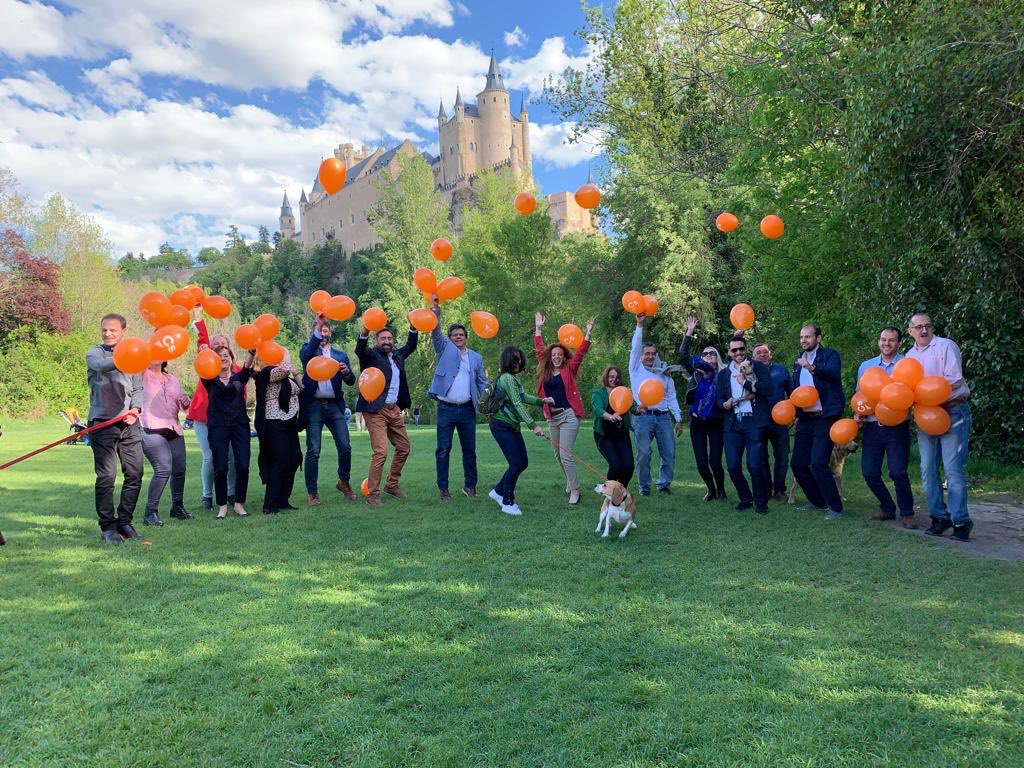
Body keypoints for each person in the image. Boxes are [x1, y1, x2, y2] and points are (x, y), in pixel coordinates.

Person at [905, 312, 973, 540]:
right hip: (925, 416)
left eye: (927, 326)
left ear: (932, 328)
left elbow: (953, 379)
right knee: (927, 469)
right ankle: (939, 518)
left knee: (953, 470)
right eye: (918, 327)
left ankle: (961, 523)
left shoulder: (946, 346)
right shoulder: (909, 356)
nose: (924, 331)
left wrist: (926, 396)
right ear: (910, 332)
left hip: (953, 411)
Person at [86, 313, 144, 544]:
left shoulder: (135, 359)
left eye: (112, 330)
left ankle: (125, 522)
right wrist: (127, 356)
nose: (108, 334)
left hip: (129, 423)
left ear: (123, 331)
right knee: (107, 476)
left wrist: (136, 409)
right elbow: (100, 366)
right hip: (102, 423)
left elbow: (138, 389)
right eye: (104, 330)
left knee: (135, 473)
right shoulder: (95, 353)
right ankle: (108, 527)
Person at [428, 298, 488, 500]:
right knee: (443, 449)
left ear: (466, 337)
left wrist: (489, 398)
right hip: (446, 409)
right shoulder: (443, 349)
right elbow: (435, 332)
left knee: (470, 450)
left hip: (468, 410)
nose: (458, 337)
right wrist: (436, 310)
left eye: (461, 335)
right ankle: (443, 489)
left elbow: (482, 382)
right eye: (454, 335)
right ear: (450, 338)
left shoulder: (476, 358)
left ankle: (470, 486)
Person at [856, 327, 916, 528]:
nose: (886, 344)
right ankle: (888, 507)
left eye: (891, 340)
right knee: (869, 472)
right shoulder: (867, 366)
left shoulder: (907, 365)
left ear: (899, 343)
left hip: (897, 427)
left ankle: (907, 513)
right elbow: (860, 396)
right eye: (883, 339)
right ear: (878, 341)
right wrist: (858, 414)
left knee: (898, 472)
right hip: (872, 426)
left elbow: (913, 395)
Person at [355, 323, 419, 506]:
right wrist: (365, 332)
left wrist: (413, 328)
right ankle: (373, 494)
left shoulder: (398, 356)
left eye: (389, 338)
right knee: (381, 452)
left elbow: (410, 346)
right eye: (383, 338)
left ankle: (391, 485)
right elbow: (360, 349)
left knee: (404, 447)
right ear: (377, 340)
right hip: (375, 410)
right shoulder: (370, 356)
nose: (387, 341)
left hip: (394, 409)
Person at [534, 312, 594, 505]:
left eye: (560, 355)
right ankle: (569, 481)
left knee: (566, 454)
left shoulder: (570, 369)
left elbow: (581, 354)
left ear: (563, 356)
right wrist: (538, 328)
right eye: (554, 355)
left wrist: (588, 333)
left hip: (569, 416)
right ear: (550, 357)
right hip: (553, 418)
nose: (557, 357)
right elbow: (538, 349)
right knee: (557, 455)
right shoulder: (545, 370)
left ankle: (575, 491)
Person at [299, 312, 357, 505]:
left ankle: (344, 481)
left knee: (345, 447)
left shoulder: (340, 355)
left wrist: (348, 373)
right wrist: (318, 324)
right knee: (313, 450)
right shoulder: (308, 351)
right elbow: (307, 354)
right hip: (314, 406)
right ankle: (312, 491)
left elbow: (350, 381)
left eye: (326, 330)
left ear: (330, 333)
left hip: (334, 406)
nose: (323, 333)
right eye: (320, 330)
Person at [488, 346, 554, 516]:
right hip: (501, 425)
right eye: (514, 359)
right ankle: (507, 502)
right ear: (507, 361)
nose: (518, 362)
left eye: (519, 359)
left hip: (511, 426)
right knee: (516, 463)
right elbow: (517, 403)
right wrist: (533, 425)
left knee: (522, 462)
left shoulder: (513, 379)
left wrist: (542, 401)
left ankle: (498, 491)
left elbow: (523, 397)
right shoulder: (507, 378)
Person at [790, 324, 846, 519]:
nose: (804, 340)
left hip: (825, 416)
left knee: (818, 462)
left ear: (818, 338)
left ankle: (835, 507)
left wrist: (812, 367)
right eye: (801, 337)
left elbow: (832, 375)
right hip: (806, 418)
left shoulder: (830, 355)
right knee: (797, 464)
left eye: (808, 336)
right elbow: (796, 390)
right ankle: (817, 501)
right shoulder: (797, 361)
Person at [716, 335, 777, 514]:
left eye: (741, 349)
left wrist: (746, 383)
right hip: (733, 423)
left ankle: (761, 502)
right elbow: (719, 399)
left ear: (746, 349)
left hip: (754, 421)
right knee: (733, 465)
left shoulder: (757, 367)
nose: (738, 353)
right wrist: (724, 404)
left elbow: (768, 389)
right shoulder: (724, 374)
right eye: (734, 350)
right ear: (729, 352)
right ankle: (745, 498)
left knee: (754, 464)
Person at [186, 307, 237, 511]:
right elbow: (203, 341)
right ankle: (207, 496)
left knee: (232, 456)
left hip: (228, 420)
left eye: (223, 345)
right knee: (210, 456)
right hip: (204, 418)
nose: (219, 347)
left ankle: (231, 493)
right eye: (216, 345)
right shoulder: (206, 365)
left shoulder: (236, 370)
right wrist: (198, 318)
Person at [628, 312, 684, 496]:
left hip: (663, 418)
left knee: (668, 453)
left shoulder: (664, 373)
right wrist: (639, 325)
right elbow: (635, 347)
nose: (650, 356)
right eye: (647, 354)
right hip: (643, 417)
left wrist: (678, 418)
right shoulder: (635, 369)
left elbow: (672, 397)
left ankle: (664, 485)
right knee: (644, 454)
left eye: (653, 354)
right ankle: (644, 487)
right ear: (641, 355)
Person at [202, 346, 254, 518]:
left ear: (232, 359)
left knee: (243, 465)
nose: (223, 358)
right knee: (221, 467)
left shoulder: (238, 378)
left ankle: (239, 504)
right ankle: (222, 506)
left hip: (240, 425)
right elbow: (203, 365)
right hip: (218, 426)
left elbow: (246, 370)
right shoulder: (209, 379)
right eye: (220, 356)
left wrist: (251, 353)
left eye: (226, 355)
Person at [679, 316, 727, 502]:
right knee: (701, 463)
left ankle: (721, 490)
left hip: (716, 423)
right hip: (697, 423)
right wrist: (689, 332)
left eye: (712, 353)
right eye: (705, 353)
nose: (708, 355)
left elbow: (740, 359)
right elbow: (683, 356)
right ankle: (711, 489)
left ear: (717, 358)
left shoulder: (724, 375)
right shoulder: (697, 373)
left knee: (715, 462)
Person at [139, 359, 191, 526]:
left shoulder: (173, 379)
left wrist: (184, 402)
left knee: (179, 469)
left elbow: (181, 405)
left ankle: (177, 507)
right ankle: (150, 512)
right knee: (163, 469)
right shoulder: (142, 375)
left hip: (173, 427)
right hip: (151, 427)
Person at [254, 348, 302, 514]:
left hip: (290, 423)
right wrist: (286, 354)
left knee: (294, 458)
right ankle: (270, 504)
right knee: (280, 460)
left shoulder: (287, 377)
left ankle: (283, 499)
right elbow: (282, 371)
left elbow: (301, 388)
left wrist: (296, 375)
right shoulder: (265, 373)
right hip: (273, 422)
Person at [752, 342, 793, 502]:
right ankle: (767, 489)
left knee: (782, 456)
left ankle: (780, 490)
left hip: (780, 421)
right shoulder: (750, 372)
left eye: (765, 352)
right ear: (753, 357)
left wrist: (793, 412)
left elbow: (792, 393)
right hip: (758, 421)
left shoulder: (781, 370)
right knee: (761, 457)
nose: (762, 355)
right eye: (758, 353)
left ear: (771, 354)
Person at [591, 366, 636, 488]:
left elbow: (633, 407)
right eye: (611, 376)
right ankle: (608, 490)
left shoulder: (623, 391)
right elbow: (598, 410)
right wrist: (611, 417)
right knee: (616, 465)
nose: (614, 379)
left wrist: (640, 408)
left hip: (622, 435)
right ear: (606, 377)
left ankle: (620, 491)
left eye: (617, 377)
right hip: (604, 436)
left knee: (628, 466)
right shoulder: (598, 393)